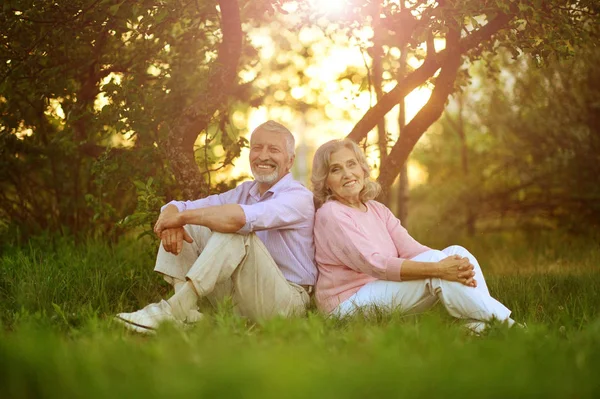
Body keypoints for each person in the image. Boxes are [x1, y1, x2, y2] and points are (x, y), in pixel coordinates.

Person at [116, 121, 317, 334]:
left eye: (273, 149)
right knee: (192, 226)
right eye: (257, 147)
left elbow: (239, 220)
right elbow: (177, 207)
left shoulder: (299, 197)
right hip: (245, 295)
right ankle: (186, 314)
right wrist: (175, 218)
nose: (263, 155)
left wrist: (181, 218)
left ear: (290, 161)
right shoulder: (245, 192)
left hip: (287, 302)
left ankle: (174, 310)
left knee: (236, 233)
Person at [310, 138, 515, 332]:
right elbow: (375, 264)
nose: (347, 174)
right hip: (346, 305)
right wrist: (438, 268)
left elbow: (413, 250)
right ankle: (509, 327)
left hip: (379, 290)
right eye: (336, 169)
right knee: (437, 264)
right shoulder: (332, 213)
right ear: (326, 182)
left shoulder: (376, 209)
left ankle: (481, 326)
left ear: (362, 170)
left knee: (457, 252)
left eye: (351, 164)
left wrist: (449, 264)